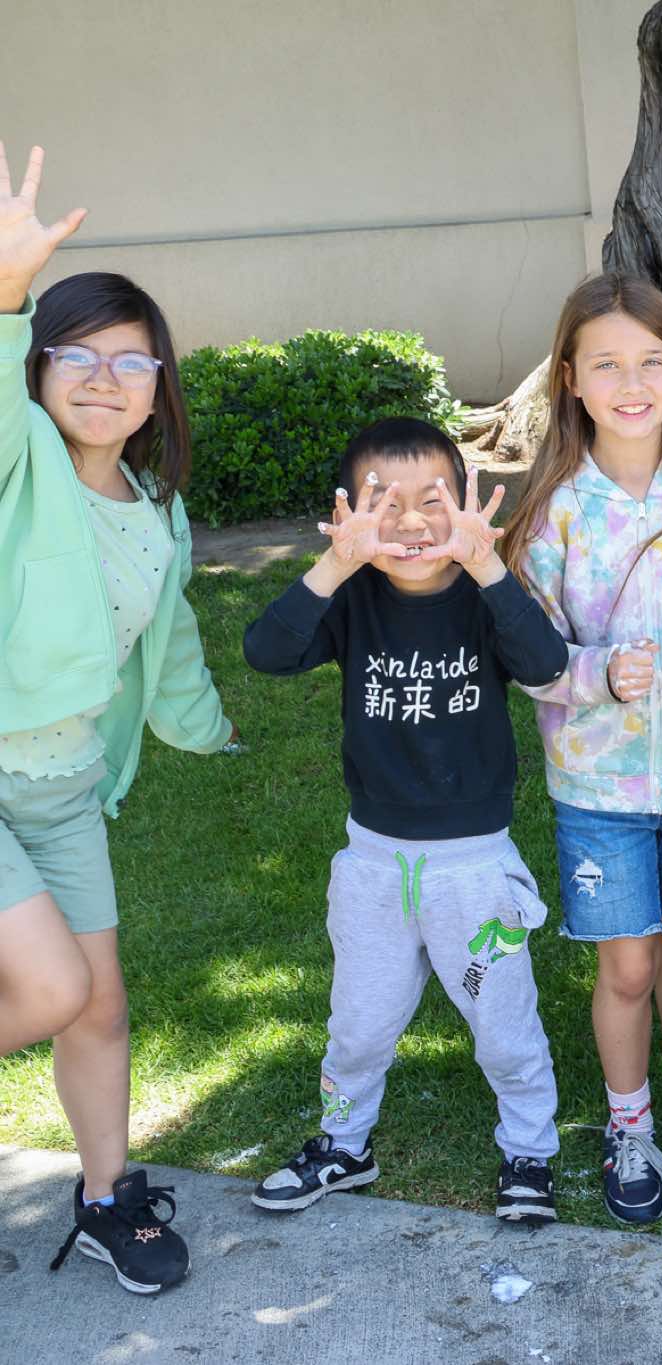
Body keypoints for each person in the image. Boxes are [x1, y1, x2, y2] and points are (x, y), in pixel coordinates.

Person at [1, 147, 239, 1295]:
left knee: (98, 1007)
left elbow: (166, 641)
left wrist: (216, 731)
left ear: (157, 386)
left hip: (64, 789)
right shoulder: (19, 462)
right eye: (77, 355)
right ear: (37, 370)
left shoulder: (156, 508)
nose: (105, 378)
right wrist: (7, 291)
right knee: (48, 990)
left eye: (130, 360)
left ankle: (106, 1203)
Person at [242, 420, 567, 1227]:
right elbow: (265, 651)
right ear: (348, 512)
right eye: (386, 503)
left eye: (434, 500)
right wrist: (334, 564)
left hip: (475, 874)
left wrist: (488, 566)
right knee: (357, 1026)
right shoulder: (351, 596)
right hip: (375, 868)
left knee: (501, 1022)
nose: (413, 521)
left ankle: (530, 1150)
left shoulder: (486, 594)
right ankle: (343, 1143)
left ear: (465, 504)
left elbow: (546, 664)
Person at [495, 275, 662, 1220]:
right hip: (597, 787)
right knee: (629, 965)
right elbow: (524, 651)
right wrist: (598, 674)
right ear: (570, 379)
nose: (632, 383)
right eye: (606, 364)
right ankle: (629, 1124)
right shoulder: (553, 512)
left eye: (653, 361)